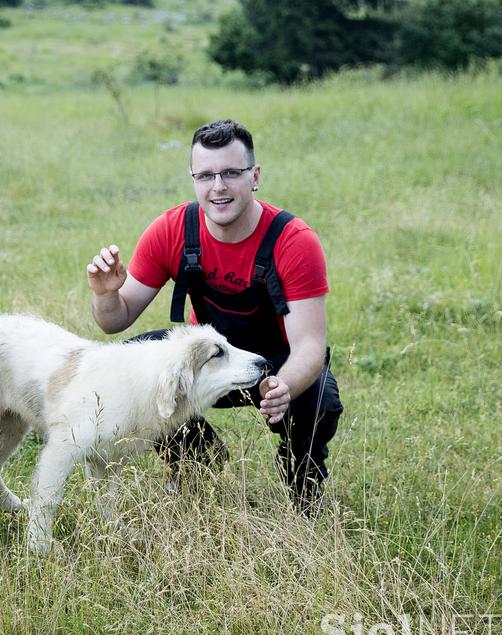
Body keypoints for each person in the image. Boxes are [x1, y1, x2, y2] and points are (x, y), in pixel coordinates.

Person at [85, 119, 343, 513]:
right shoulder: (171, 230)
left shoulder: (294, 241)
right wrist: (105, 294)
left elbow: (310, 345)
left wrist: (283, 387)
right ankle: (195, 462)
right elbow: (114, 321)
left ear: (254, 176)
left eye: (231, 173)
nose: (218, 187)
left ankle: (303, 487)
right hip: (209, 362)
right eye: (205, 175)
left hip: (275, 365)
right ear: (193, 179)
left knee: (320, 398)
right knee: (131, 362)